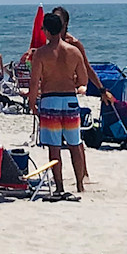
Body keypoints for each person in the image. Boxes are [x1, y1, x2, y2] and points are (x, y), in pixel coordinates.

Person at [49, 6, 115, 184]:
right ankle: (61, 179)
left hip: (69, 95)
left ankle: (83, 174)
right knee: (55, 142)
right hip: (51, 96)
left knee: (74, 139)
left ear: (66, 24)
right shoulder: (48, 41)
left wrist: (101, 89)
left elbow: (87, 68)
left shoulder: (74, 43)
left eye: (59, 21)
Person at [29, 12, 89, 198]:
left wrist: (32, 103)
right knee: (74, 144)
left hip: (50, 100)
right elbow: (83, 79)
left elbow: (34, 82)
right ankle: (79, 184)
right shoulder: (74, 51)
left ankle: (60, 187)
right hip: (70, 99)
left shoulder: (41, 53)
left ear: (46, 31)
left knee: (54, 148)